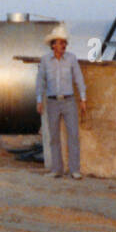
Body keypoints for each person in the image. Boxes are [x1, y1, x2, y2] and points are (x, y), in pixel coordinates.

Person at [35, 24, 87, 179]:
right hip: (52, 102)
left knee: (73, 135)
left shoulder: (71, 59)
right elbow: (40, 81)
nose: (63, 45)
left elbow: (79, 78)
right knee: (54, 136)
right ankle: (56, 169)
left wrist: (83, 99)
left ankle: (74, 170)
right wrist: (39, 100)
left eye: (65, 42)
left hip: (69, 101)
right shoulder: (45, 60)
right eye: (60, 42)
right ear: (53, 45)